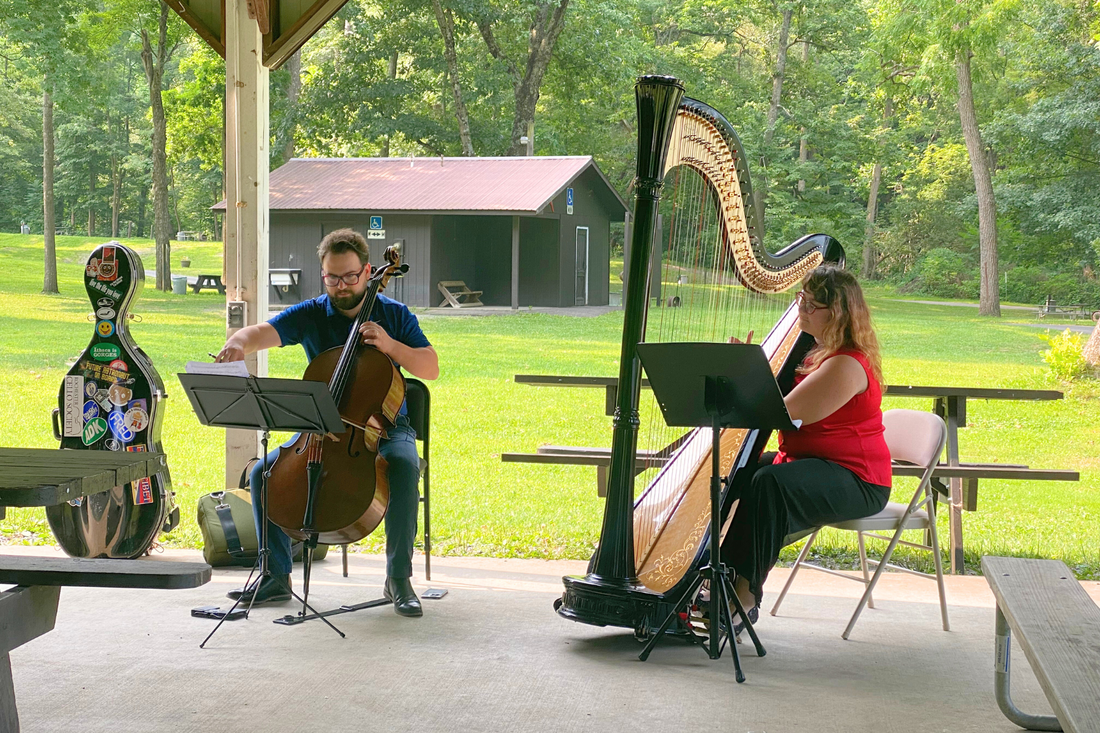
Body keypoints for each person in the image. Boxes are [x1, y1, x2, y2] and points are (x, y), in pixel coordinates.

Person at [215, 228, 439, 617]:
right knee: (262, 474)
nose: (341, 286)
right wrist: (238, 342)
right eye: (332, 278)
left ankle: (398, 579)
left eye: (350, 276)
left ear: (367, 272)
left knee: (403, 467)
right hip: (322, 426)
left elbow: (430, 367)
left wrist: (389, 345)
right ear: (323, 275)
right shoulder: (313, 313)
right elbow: (260, 333)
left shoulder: (394, 314)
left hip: (386, 427)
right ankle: (275, 577)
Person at [721, 264, 892, 629]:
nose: (802, 308)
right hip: (811, 462)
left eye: (813, 305)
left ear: (838, 313)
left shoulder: (845, 364)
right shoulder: (817, 352)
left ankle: (744, 596)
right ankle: (715, 575)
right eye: (802, 299)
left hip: (857, 479)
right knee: (741, 471)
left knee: (769, 483)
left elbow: (782, 412)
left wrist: (743, 372)